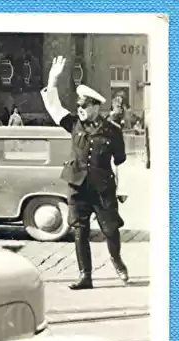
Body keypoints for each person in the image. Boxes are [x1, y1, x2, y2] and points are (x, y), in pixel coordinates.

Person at [41, 56, 129, 290]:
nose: (79, 110)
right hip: (77, 186)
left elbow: (120, 161)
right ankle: (85, 276)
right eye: (78, 106)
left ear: (96, 107)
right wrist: (53, 79)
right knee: (80, 231)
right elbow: (53, 105)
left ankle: (117, 260)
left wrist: (123, 188)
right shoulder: (73, 124)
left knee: (110, 230)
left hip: (102, 188)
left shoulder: (112, 131)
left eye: (84, 106)